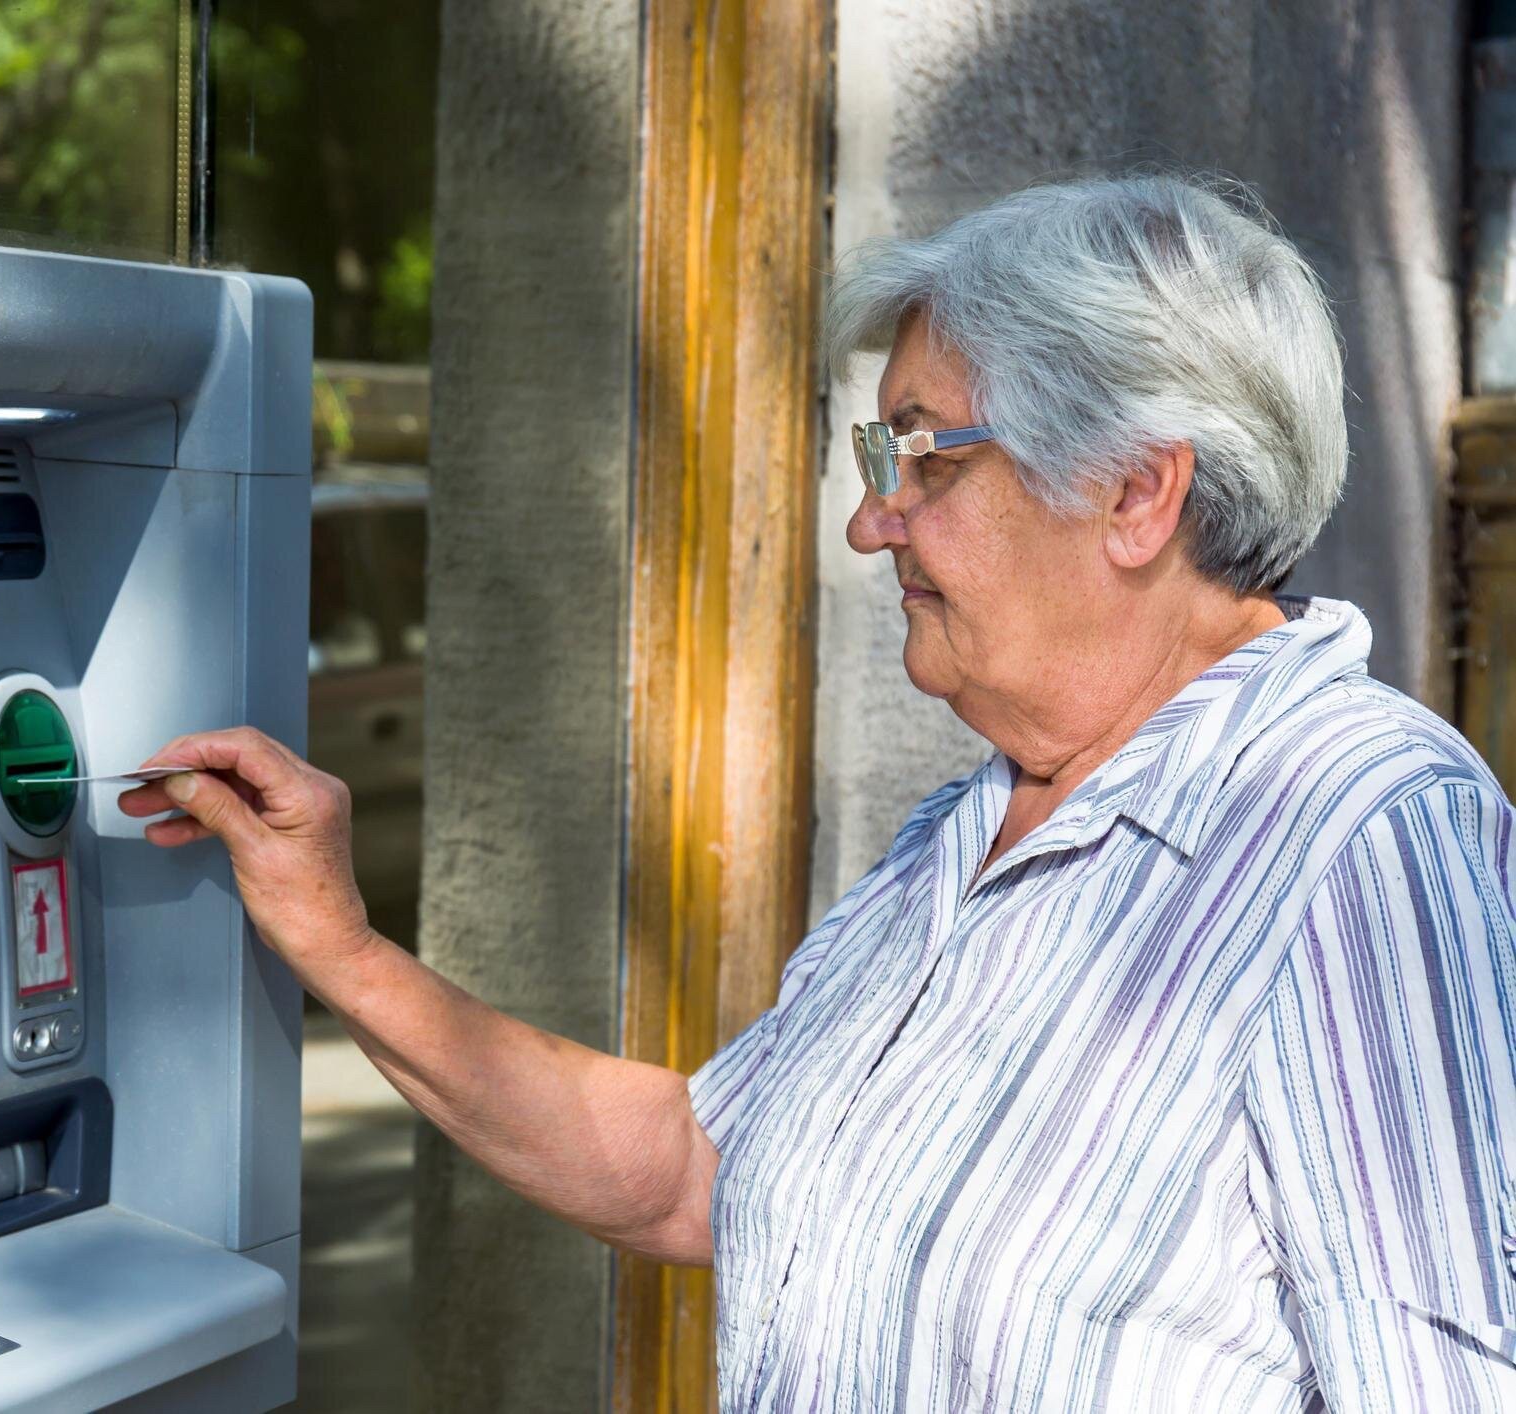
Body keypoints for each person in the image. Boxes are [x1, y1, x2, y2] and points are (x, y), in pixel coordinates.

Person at [116, 173, 1516, 1410]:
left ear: (1135, 495)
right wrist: (341, 950)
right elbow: (690, 1169)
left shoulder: (1354, 825)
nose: (868, 518)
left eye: (920, 454)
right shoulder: (961, 833)